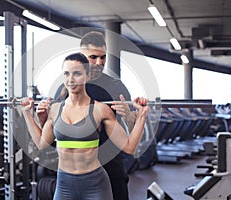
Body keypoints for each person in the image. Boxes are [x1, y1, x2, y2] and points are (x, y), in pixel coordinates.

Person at [21, 52, 149, 200]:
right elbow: (41, 143)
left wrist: (142, 115)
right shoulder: (55, 110)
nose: (71, 79)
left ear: (88, 76)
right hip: (64, 185)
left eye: (77, 74)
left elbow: (129, 147)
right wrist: (27, 114)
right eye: (66, 74)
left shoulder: (100, 110)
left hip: (95, 185)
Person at [53, 31, 135, 200]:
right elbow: (54, 124)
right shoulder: (64, 89)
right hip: (74, 169)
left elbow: (133, 129)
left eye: (103, 57)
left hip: (111, 163)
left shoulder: (116, 86)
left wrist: (129, 117)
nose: (99, 63)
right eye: (93, 57)